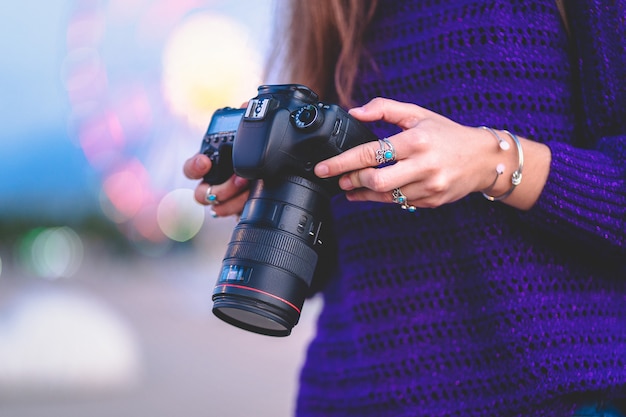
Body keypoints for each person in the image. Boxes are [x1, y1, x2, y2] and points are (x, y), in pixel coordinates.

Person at [184, 0, 626, 415]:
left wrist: (496, 161)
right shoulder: (328, 9)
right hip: (346, 395)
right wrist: (272, 188)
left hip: (551, 394)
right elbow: (346, 252)